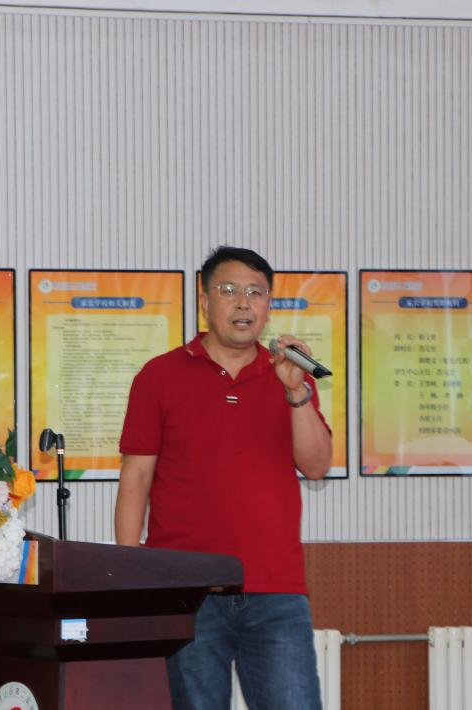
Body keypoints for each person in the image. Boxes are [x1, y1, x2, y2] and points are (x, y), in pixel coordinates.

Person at [115, 245, 332, 710]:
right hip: (184, 592)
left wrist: (296, 393)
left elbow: (317, 466)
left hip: (275, 591)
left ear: (269, 306)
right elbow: (135, 479)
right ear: (204, 300)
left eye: (256, 292)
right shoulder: (159, 376)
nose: (243, 303)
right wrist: (131, 578)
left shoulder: (291, 376)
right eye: (229, 290)